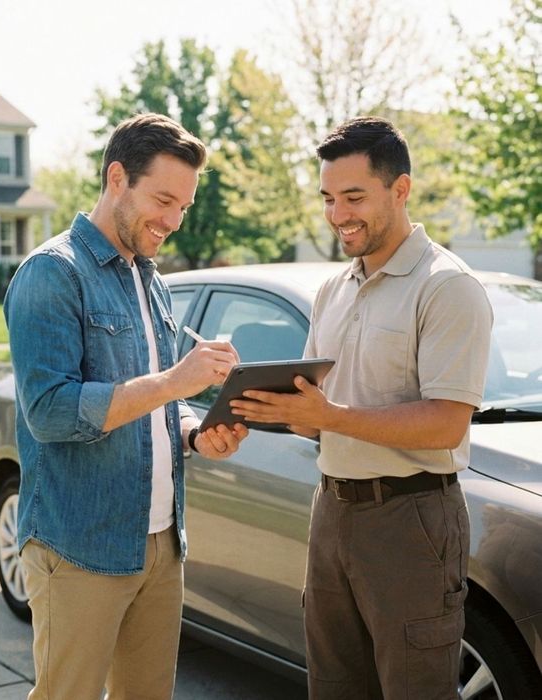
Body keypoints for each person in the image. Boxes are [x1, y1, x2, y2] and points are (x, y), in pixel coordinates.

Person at [230, 116, 492, 699]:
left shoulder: (446, 286)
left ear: (400, 190)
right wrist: (266, 411)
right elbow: (316, 409)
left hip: (412, 520)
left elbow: (447, 423)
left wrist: (330, 418)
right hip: (331, 512)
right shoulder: (333, 288)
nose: (337, 214)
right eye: (328, 198)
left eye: (353, 197)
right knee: (334, 686)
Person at [3, 112, 249, 700]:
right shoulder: (51, 273)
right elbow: (51, 411)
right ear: (117, 177)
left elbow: (156, 406)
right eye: (164, 199)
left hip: (162, 541)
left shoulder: (150, 276)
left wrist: (193, 432)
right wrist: (174, 382)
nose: (173, 221)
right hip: (80, 545)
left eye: (184, 207)